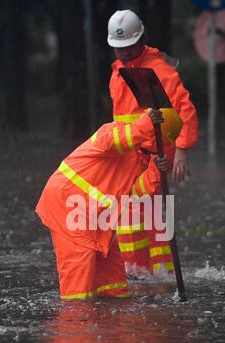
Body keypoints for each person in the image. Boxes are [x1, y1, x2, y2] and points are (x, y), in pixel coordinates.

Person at [36, 109, 174, 301]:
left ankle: (108, 324)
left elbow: (134, 194)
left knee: (114, 284)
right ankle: (76, 324)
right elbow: (112, 142)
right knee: (78, 291)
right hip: (68, 208)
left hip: (98, 220)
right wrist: (144, 125)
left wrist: (156, 171)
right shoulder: (114, 132)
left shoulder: (144, 158)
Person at [108, 10, 199, 277]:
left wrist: (182, 149)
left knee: (143, 213)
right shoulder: (118, 71)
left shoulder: (159, 70)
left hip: (154, 156)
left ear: (141, 40)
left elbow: (185, 110)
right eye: (118, 49)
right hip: (128, 157)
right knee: (130, 216)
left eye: (128, 48)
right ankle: (137, 272)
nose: (123, 54)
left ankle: (154, 275)